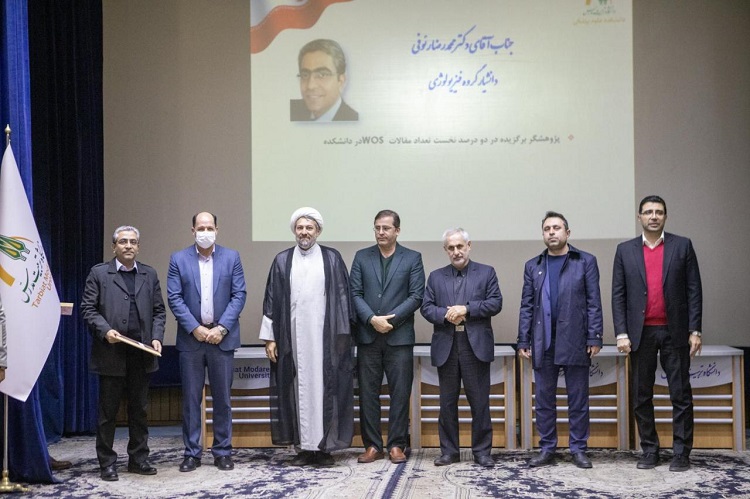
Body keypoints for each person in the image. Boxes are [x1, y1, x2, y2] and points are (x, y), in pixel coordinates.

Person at [612, 195, 703, 472]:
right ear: (639, 216)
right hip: (640, 334)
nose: (654, 216)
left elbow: (694, 290)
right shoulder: (624, 250)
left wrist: (695, 329)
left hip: (675, 332)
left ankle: (681, 453)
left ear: (665, 216)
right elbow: (618, 295)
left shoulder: (682, 245)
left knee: (680, 394)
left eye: (659, 212)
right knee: (641, 396)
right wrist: (621, 333)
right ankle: (650, 450)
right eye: (648, 212)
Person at [260, 207, 353, 466]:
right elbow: (271, 300)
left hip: (325, 338)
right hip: (292, 338)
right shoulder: (282, 260)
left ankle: (323, 448)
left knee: (325, 389)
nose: (304, 232)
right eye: (300, 228)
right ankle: (303, 448)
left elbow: (343, 299)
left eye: (309, 228)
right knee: (296, 390)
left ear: (318, 231)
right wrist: (270, 338)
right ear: (294, 231)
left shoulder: (331, 258)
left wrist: (343, 336)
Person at [517, 211, 603, 469]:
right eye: (547, 229)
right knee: (544, 400)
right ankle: (547, 448)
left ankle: (578, 449)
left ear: (567, 232)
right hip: (543, 342)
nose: (551, 232)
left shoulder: (585, 261)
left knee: (578, 399)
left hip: (576, 340)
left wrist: (595, 336)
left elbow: (594, 302)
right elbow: (527, 306)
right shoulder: (533, 265)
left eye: (556, 228)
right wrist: (523, 340)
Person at [80, 225, 166, 481]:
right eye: (123, 241)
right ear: (113, 247)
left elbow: (159, 311)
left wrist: (156, 337)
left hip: (142, 354)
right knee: (108, 413)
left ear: (138, 247)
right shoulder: (99, 273)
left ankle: (138, 459)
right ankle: (107, 463)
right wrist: (105, 330)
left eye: (133, 242)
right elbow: (88, 309)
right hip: (111, 353)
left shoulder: (149, 274)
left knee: (139, 410)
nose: (128, 245)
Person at [167, 212, 247, 472]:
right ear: (192, 230)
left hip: (222, 339)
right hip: (191, 340)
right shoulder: (178, 259)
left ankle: (222, 452)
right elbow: (174, 297)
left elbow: (239, 295)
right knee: (191, 401)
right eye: (200, 228)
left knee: (222, 399)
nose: (205, 232)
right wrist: (195, 328)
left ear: (217, 229)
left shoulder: (232, 257)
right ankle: (192, 453)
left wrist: (222, 328)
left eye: (209, 227)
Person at [420, 228, 502, 468]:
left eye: (460, 246)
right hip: (447, 345)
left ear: (469, 246)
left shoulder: (486, 272)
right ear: (446, 250)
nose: (456, 252)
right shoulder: (436, 277)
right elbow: (426, 308)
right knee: (447, 403)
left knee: (479, 402)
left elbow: (495, 303)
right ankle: (449, 452)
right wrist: (447, 315)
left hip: (474, 346)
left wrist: (466, 309)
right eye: (451, 248)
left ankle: (482, 452)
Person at [350, 209, 425, 464]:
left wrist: (390, 321)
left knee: (400, 393)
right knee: (367, 393)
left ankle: (396, 445)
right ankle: (373, 445)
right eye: (377, 228)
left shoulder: (412, 258)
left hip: (399, 336)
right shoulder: (361, 257)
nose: (380, 232)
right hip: (368, 335)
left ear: (397, 231)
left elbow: (416, 296)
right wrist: (372, 319)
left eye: (386, 228)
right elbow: (354, 294)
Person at [290, 39, 359, 122]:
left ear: (341, 81)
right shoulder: (290, 110)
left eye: (322, 75)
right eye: (305, 75)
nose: (310, 86)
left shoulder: (354, 120)